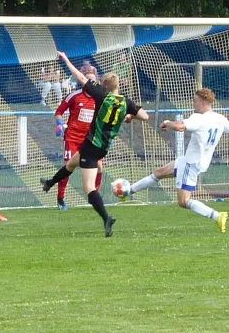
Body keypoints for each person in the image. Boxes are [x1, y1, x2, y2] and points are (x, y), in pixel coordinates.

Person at [41, 51, 149, 237]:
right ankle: (50, 183)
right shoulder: (125, 102)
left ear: (104, 85)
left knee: (88, 188)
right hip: (102, 146)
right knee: (72, 163)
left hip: (93, 145)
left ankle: (106, 218)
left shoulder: (102, 95)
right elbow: (145, 116)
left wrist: (66, 59)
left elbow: (80, 77)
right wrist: (129, 116)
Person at [130, 88, 229, 234]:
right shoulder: (220, 118)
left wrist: (167, 122)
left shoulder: (199, 118)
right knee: (159, 172)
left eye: (195, 100)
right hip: (193, 161)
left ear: (203, 102)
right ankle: (128, 191)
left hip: (190, 164)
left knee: (184, 201)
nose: (193, 102)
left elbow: (179, 127)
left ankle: (217, 216)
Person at [54, 72, 102, 211]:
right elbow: (59, 111)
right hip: (73, 138)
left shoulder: (99, 98)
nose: (91, 83)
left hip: (91, 139)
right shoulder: (74, 96)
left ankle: (94, 197)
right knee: (69, 168)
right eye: (88, 80)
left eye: (93, 80)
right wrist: (58, 123)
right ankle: (60, 198)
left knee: (98, 166)